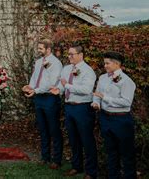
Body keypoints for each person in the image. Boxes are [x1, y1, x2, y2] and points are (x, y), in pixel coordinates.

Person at [52, 45, 97, 178]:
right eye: (68, 54)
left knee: (87, 140)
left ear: (81, 55)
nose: (69, 56)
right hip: (69, 107)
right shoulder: (66, 69)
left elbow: (86, 90)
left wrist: (67, 86)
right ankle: (76, 166)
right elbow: (62, 83)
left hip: (83, 108)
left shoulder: (88, 71)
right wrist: (59, 89)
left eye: (72, 54)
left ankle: (91, 171)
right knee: (73, 139)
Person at [92, 52, 137, 179]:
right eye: (104, 62)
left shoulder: (127, 81)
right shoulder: (102, 78)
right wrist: (96, 103)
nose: (104, 65)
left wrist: (105, 98)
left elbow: (126, 102)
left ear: (117, 64)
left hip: (121, 120)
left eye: (107, 63)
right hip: (105, 118)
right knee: (111, 152)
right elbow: (97, 94)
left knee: (127, 153)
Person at [22, 38, 63, 169]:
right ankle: (45, 157)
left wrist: (35, 90)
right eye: (38, 48)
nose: (38, 50)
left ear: (48, 49)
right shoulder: (39, 61)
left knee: (54, 129)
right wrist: (30, 87)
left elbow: (51, 83)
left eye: (41, 48)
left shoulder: (56, 63)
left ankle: (56, 160)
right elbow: (35, 77)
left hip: (50, 99)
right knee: (43, 129)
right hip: (38, 99)